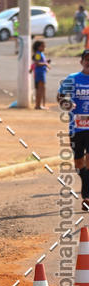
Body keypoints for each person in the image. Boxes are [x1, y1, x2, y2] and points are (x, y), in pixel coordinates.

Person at [58, 50, 89, 211]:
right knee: (79, 163)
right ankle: (86, 187)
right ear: (81, 61)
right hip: (76, 127)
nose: (88, 62)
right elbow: (60, 97)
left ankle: (86, 197)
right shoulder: (72, 79)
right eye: (86, 59)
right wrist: (66, 104)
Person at [31, 39, 50, 110]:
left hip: (41, 72)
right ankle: (38, 105)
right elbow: (37, 63)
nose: (44, 48)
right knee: (40, 89)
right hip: (40, 73)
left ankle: (39, 105)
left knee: (41, 89)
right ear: (38, 47)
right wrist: (45, 63)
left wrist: (45, 62)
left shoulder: (40, 54)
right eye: (42, 46)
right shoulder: (38, 54)